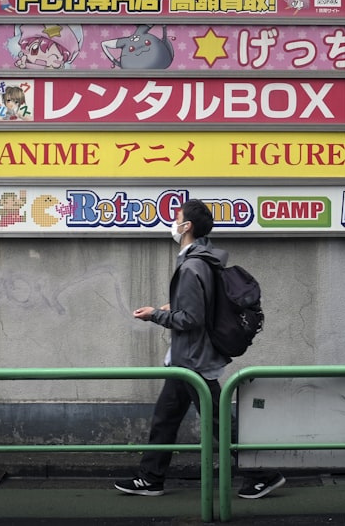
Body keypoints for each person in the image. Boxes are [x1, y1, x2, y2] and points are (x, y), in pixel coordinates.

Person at [114, 198, 286, 499]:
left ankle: (263, 474)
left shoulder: (193, 265)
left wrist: (155, 314)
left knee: (219, 424)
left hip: (193, 361)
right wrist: (172, 306)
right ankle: (151, 478)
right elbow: (198, 307)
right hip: (186, 359)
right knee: (165, 419)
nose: (172, 222)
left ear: (187, 226)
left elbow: (191, 319)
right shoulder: (200, 259)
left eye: (176, 217)